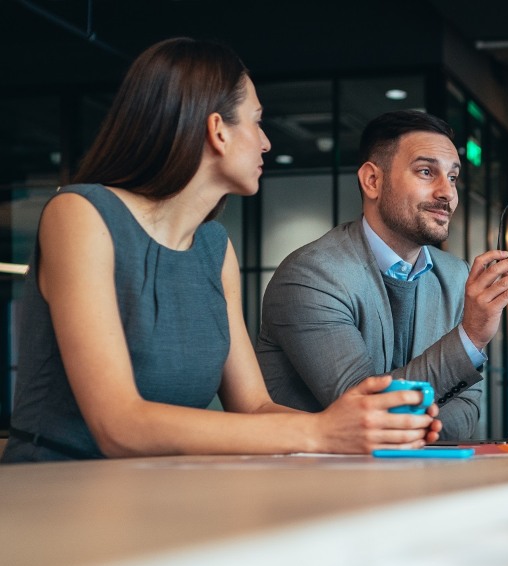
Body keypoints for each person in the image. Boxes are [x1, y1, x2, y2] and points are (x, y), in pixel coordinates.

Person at [1, 39, 439, 464]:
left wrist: (367, 427)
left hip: (153, 497)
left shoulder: (214, 248)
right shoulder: (79, 215)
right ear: (217, 131)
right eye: (256, 121)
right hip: (56, 499)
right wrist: (321, 431)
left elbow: (253, 407)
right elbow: (119, 425)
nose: (266, 142)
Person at [256, 110, 508, 440]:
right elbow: (371, 411)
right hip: (319, 484)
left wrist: (411, 428)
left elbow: (467, 408)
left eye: (454, 177)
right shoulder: (311, 276)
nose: (447, 192)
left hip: (422, 480)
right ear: (373, 181)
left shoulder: (457, 275)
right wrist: (470, 337)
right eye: (427, 172)